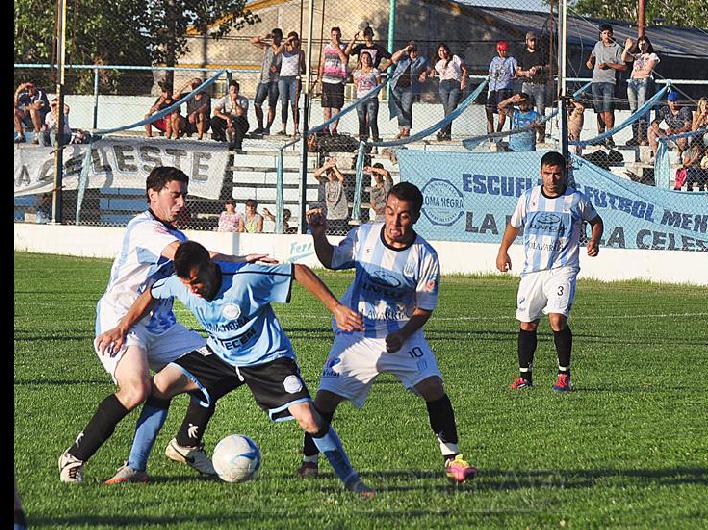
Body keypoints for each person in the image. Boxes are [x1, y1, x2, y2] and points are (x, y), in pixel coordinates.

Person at [96, 240, 376, 497]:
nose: (193, 289)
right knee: (162, 385)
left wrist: (336, 307)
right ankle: (135, 468)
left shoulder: (245, 278)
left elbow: (298, 271)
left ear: (210, 266)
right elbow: (151, 293)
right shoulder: (181, 284)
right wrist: (122, 327)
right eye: (187, 284)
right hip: (221, 355)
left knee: (310, 420)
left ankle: (352, 481)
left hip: (267, 358)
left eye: (197, 281)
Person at [58, 166, 272, 484]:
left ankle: (186, 445)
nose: (182, 202)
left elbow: (198, 260)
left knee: (226, 361)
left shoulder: (176, 235)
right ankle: (74, 457)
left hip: (162, 326)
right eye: (175, 194)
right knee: (137, 389)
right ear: (153, 195)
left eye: (184, 195)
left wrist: (241, 266)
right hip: (123, 323)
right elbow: (191, 258)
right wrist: (239, 260)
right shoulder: (144, 229)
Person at [299, 182, 478, 484]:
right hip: (356, 329)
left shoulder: (426, 256)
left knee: (433, 388)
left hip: (401, 333)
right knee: (325, 399)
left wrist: (404, 333)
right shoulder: (365, 235)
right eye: (391, 212)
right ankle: (309, 462)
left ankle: (453, 460)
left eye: (404, 216)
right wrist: (318, 234)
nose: (395, 221)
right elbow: (331, 259)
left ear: (416, 217)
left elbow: (424, 309)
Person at [495, 151, 603, 392]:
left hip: (562, 269)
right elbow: (514, 226)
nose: (552, 179)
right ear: (541, 172)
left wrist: (594, 241)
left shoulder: (577, 200)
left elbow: (596, 221)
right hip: (532, 271)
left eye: (557, 174)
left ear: (564, 174)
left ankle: (564, 375)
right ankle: (525, 376)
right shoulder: (528, 198)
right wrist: (503, 251)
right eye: (547, 173)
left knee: (556, 319)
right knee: (527, 324)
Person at [585, 24, 626, 148]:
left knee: (608, 109)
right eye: (604, 33)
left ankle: (609, 136)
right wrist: (590, 61)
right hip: (596, 81)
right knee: (599, 110)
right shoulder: (597, 45)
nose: (606, 36)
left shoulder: (617, 48)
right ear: (600, 35)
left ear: (612, 34)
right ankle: (601, 135)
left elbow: (623, 66)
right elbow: (592, 56)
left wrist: (609, 64)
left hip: (609, 81)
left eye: (609, 33)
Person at [387, 41, 429, 139]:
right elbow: (393, 59)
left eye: (414, 50)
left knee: (406, 107)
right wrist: (405, 50)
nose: (413, 52)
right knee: (399, 108)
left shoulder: (421, 60)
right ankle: (401, 130)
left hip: (409, 87)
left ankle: (407, 130)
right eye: (411, 50)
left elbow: (429, 69)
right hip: (396, 86)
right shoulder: (403, 58)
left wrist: (424, 73)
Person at [624, 35, 659, 146]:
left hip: (643, 82)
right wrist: (627, 48)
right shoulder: (637, 56)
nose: (642, 45)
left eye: (644, 43)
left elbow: (647, 71)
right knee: (633, 110)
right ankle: (635, 137)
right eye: (640, 43)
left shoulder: (652, 55)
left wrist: (635, 74)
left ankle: (643, 137)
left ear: (648, 44)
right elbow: (624, 58)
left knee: (642, 109)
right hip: (632, 83)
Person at [516, 31, 551, 144]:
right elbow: (518, 71)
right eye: (531, 40)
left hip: (539, 85)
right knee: (526, 110)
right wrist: (525, 73)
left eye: (535, 40)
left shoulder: (542, 53)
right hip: (526, 84)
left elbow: (550, 67)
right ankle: (529, 134)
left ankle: (541, 135)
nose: (533, 42)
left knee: (540, 110)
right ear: (527, 41)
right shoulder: (522, 53)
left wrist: (538, 68)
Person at [249, 27, 283, 135]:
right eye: (272, 37)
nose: (273, 39)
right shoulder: (267, 47)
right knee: (257, 103)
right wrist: (264, 36)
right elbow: (252, 41)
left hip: (275, 81)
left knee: (271, 105)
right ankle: (260, 126)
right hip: (263, 80)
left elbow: (288, 65)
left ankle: (267, 127)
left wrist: (278, 69)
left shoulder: (283, 51)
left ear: (280, 38)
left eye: (275, 37)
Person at [432, 43, 468, 141]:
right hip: (443, 85)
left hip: (455, 83)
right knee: (447, 110)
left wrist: (463, 80)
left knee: (451, 109)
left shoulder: (454, 58)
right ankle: (447, 135)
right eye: (439, 51)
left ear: (447, 50)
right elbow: (434, 71)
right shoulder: (438, 63)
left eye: (443, 50)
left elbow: (464, 69)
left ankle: (442, 130)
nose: (441, 53)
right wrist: (431, 72)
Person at [318, 26, 349, 135]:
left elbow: (345, 60)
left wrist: (337, 48)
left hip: (338, 80)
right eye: (333, 35)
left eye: (337, 35)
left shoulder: (343, 47)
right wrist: (319, 77)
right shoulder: (326, 47)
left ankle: (334, 127)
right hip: (327, 79)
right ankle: (326, 127)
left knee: (336, 106)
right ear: (331, 36)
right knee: (327, 106)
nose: (335, 37)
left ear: (340, 35)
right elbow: (322, 62)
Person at [276, 31, 305, 137]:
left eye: (294, 40)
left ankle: (296, 128)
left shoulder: (300, 52)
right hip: (283, 78)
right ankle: (283, 128)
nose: (293, 42)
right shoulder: (284, 50)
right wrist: (286, 42)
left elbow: (303, 66)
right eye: (291, 40)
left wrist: (303, 70)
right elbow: (276, 52)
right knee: (284, 103)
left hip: (294, 79)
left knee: (294, 104)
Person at [352, 51, 385, 143]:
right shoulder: (356, 73)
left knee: (372, 120)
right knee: (361, 120)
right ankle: (363, 140)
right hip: (360, 98)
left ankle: (375, 139)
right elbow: (356, 84)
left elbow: (379, 84)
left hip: (372, 99)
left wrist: (374, 94)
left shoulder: (375, 71)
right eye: (363, 58)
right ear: (360, 59)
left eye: (367, 58)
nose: (365, 60)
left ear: (370, 59)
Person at [486, 40, 517, 135]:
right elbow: (491, 73)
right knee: (489, 109)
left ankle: (498, 132)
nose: (503, 52)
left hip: (505, 88)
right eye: (501, 50)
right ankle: (490, 132)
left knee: (502, 110)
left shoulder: (511, 60)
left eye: (505, 50)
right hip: (493, 88)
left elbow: (516, 72)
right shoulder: (494, 60)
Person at [313, 156, 349, 234]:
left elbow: (342, 179)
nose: (330, 174)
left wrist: (334, 168)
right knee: (329, 235)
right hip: (330, 216)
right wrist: (327, 166)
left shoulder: (339, 182)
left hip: (341, 215)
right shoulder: (325, 181)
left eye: (332, 172)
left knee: (340, 235)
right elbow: (316, 175)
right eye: (328, 172)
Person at [210, 80, 249, 150]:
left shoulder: (243, 100)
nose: (233, 91)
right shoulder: (225, 99)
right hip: (228, 121)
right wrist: (226, 118)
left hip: (240, 123)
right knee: (214, 120)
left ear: (238, 90)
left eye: (235, 90)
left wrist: (234, 102)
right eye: (232, 90)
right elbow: (216, 111)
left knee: (238, 119)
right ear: (229, 91)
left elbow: (240, 113)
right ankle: (222, 138)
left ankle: (237, 144)